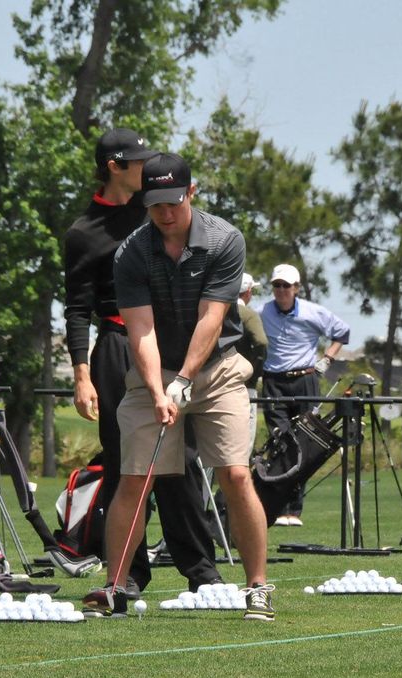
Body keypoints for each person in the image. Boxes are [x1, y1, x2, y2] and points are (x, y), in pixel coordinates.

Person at [83, 152, 274, 620]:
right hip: (154, 372)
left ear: (191, 193)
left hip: (218, 369)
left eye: (173, 202)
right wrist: (157, 390)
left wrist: (185, 380)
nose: (165, 214)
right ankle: (115, 587)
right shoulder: (131, 252)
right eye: (155, 205)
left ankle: (258, 588)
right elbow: (140, 331)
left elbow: (212, 318)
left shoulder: (225, 239)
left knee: (234, 474)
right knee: (133, 478)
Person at [64, 128, 221, 594]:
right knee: (125, 463)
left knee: (182, 461)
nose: (147, 171)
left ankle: (200, 570)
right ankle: (129, 573)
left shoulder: (158, 212)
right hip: (116, 344)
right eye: (137, 162)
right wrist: (81, 373)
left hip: (169, 340)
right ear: (114, 167)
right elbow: (76, 308)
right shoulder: (83, 232)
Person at [260, 263, 350, 526]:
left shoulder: (313, 312)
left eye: (286, 286)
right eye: (277, 285)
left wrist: (328, 359)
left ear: (296, 288)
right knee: (279, 442)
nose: (281, 290)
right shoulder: (262, 311)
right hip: (274, 381)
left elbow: (342, 333)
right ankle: (277, 506)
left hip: (306, 380)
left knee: (304, 442)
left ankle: (294, 509)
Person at [236, 272, 267, 452]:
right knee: (243, 444)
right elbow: (261, 342)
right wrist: (255, 369)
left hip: (214, 383)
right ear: (248, 292)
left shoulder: (216, 310)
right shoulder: (248, 315)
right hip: (245, 385)